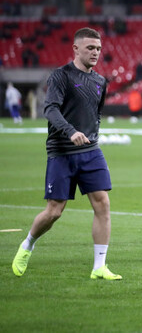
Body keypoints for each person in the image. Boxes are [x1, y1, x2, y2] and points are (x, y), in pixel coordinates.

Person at [11, 27, 122, 280]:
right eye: (90, 48)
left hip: (91, 150)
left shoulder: (100, 82)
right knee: (54, 211)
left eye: (98, 49)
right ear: (75, 48)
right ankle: (28, 244)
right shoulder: (60, 76)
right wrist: (71, 131)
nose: (95, 52)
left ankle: (99, 267)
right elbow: (50, 109)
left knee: (103, 203)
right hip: (61, 151)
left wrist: (91, 133)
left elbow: (96, 113)